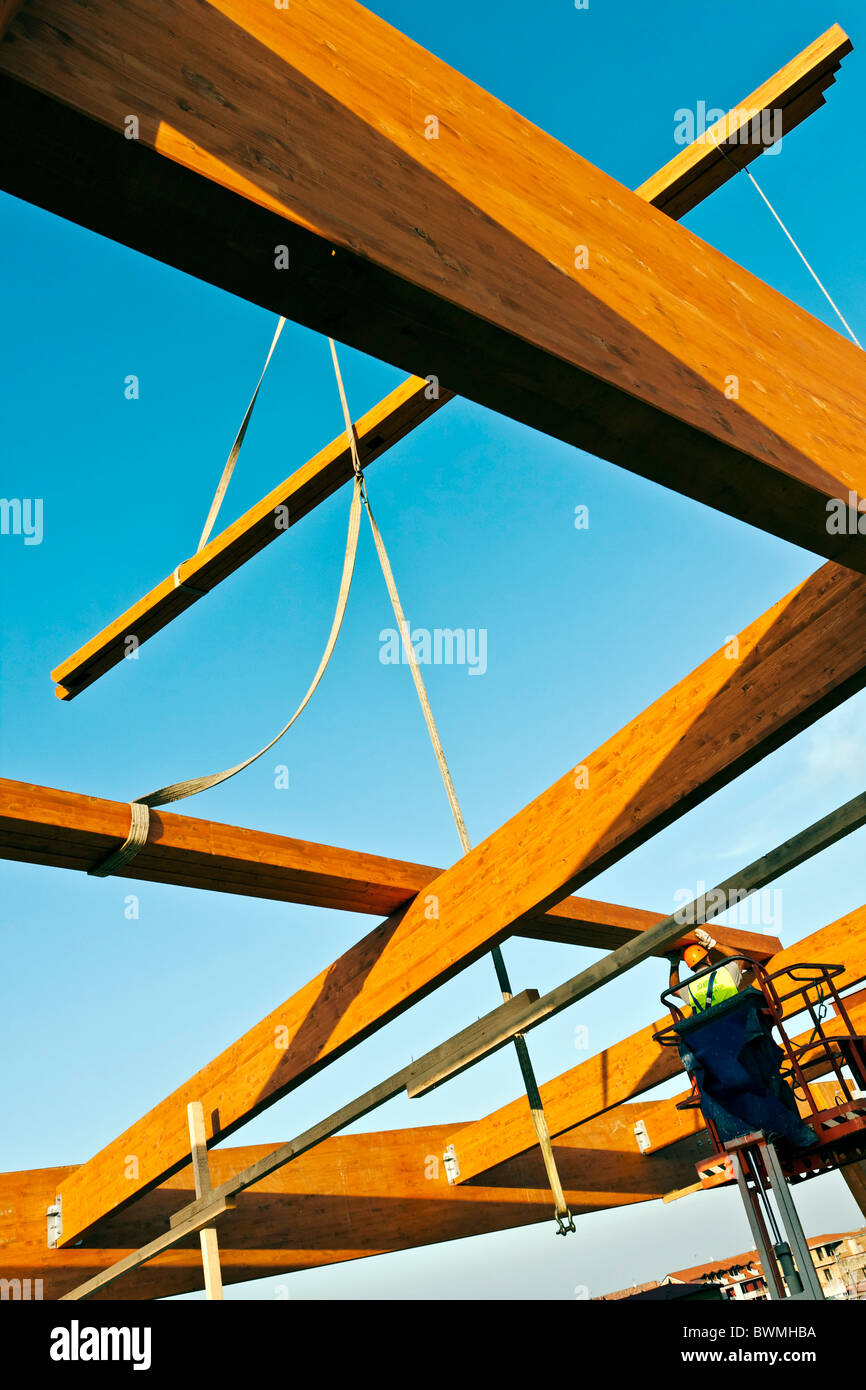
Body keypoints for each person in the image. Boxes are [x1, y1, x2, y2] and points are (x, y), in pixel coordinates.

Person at [666, 928, 754, 1015]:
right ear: (708, 960)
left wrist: (674, 964)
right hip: (737, 1019)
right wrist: (712, 943)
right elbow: (739, 958)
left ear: (691, 967)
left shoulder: (690, 989)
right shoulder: (725, 974)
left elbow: (674, 990)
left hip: (712, 1024)